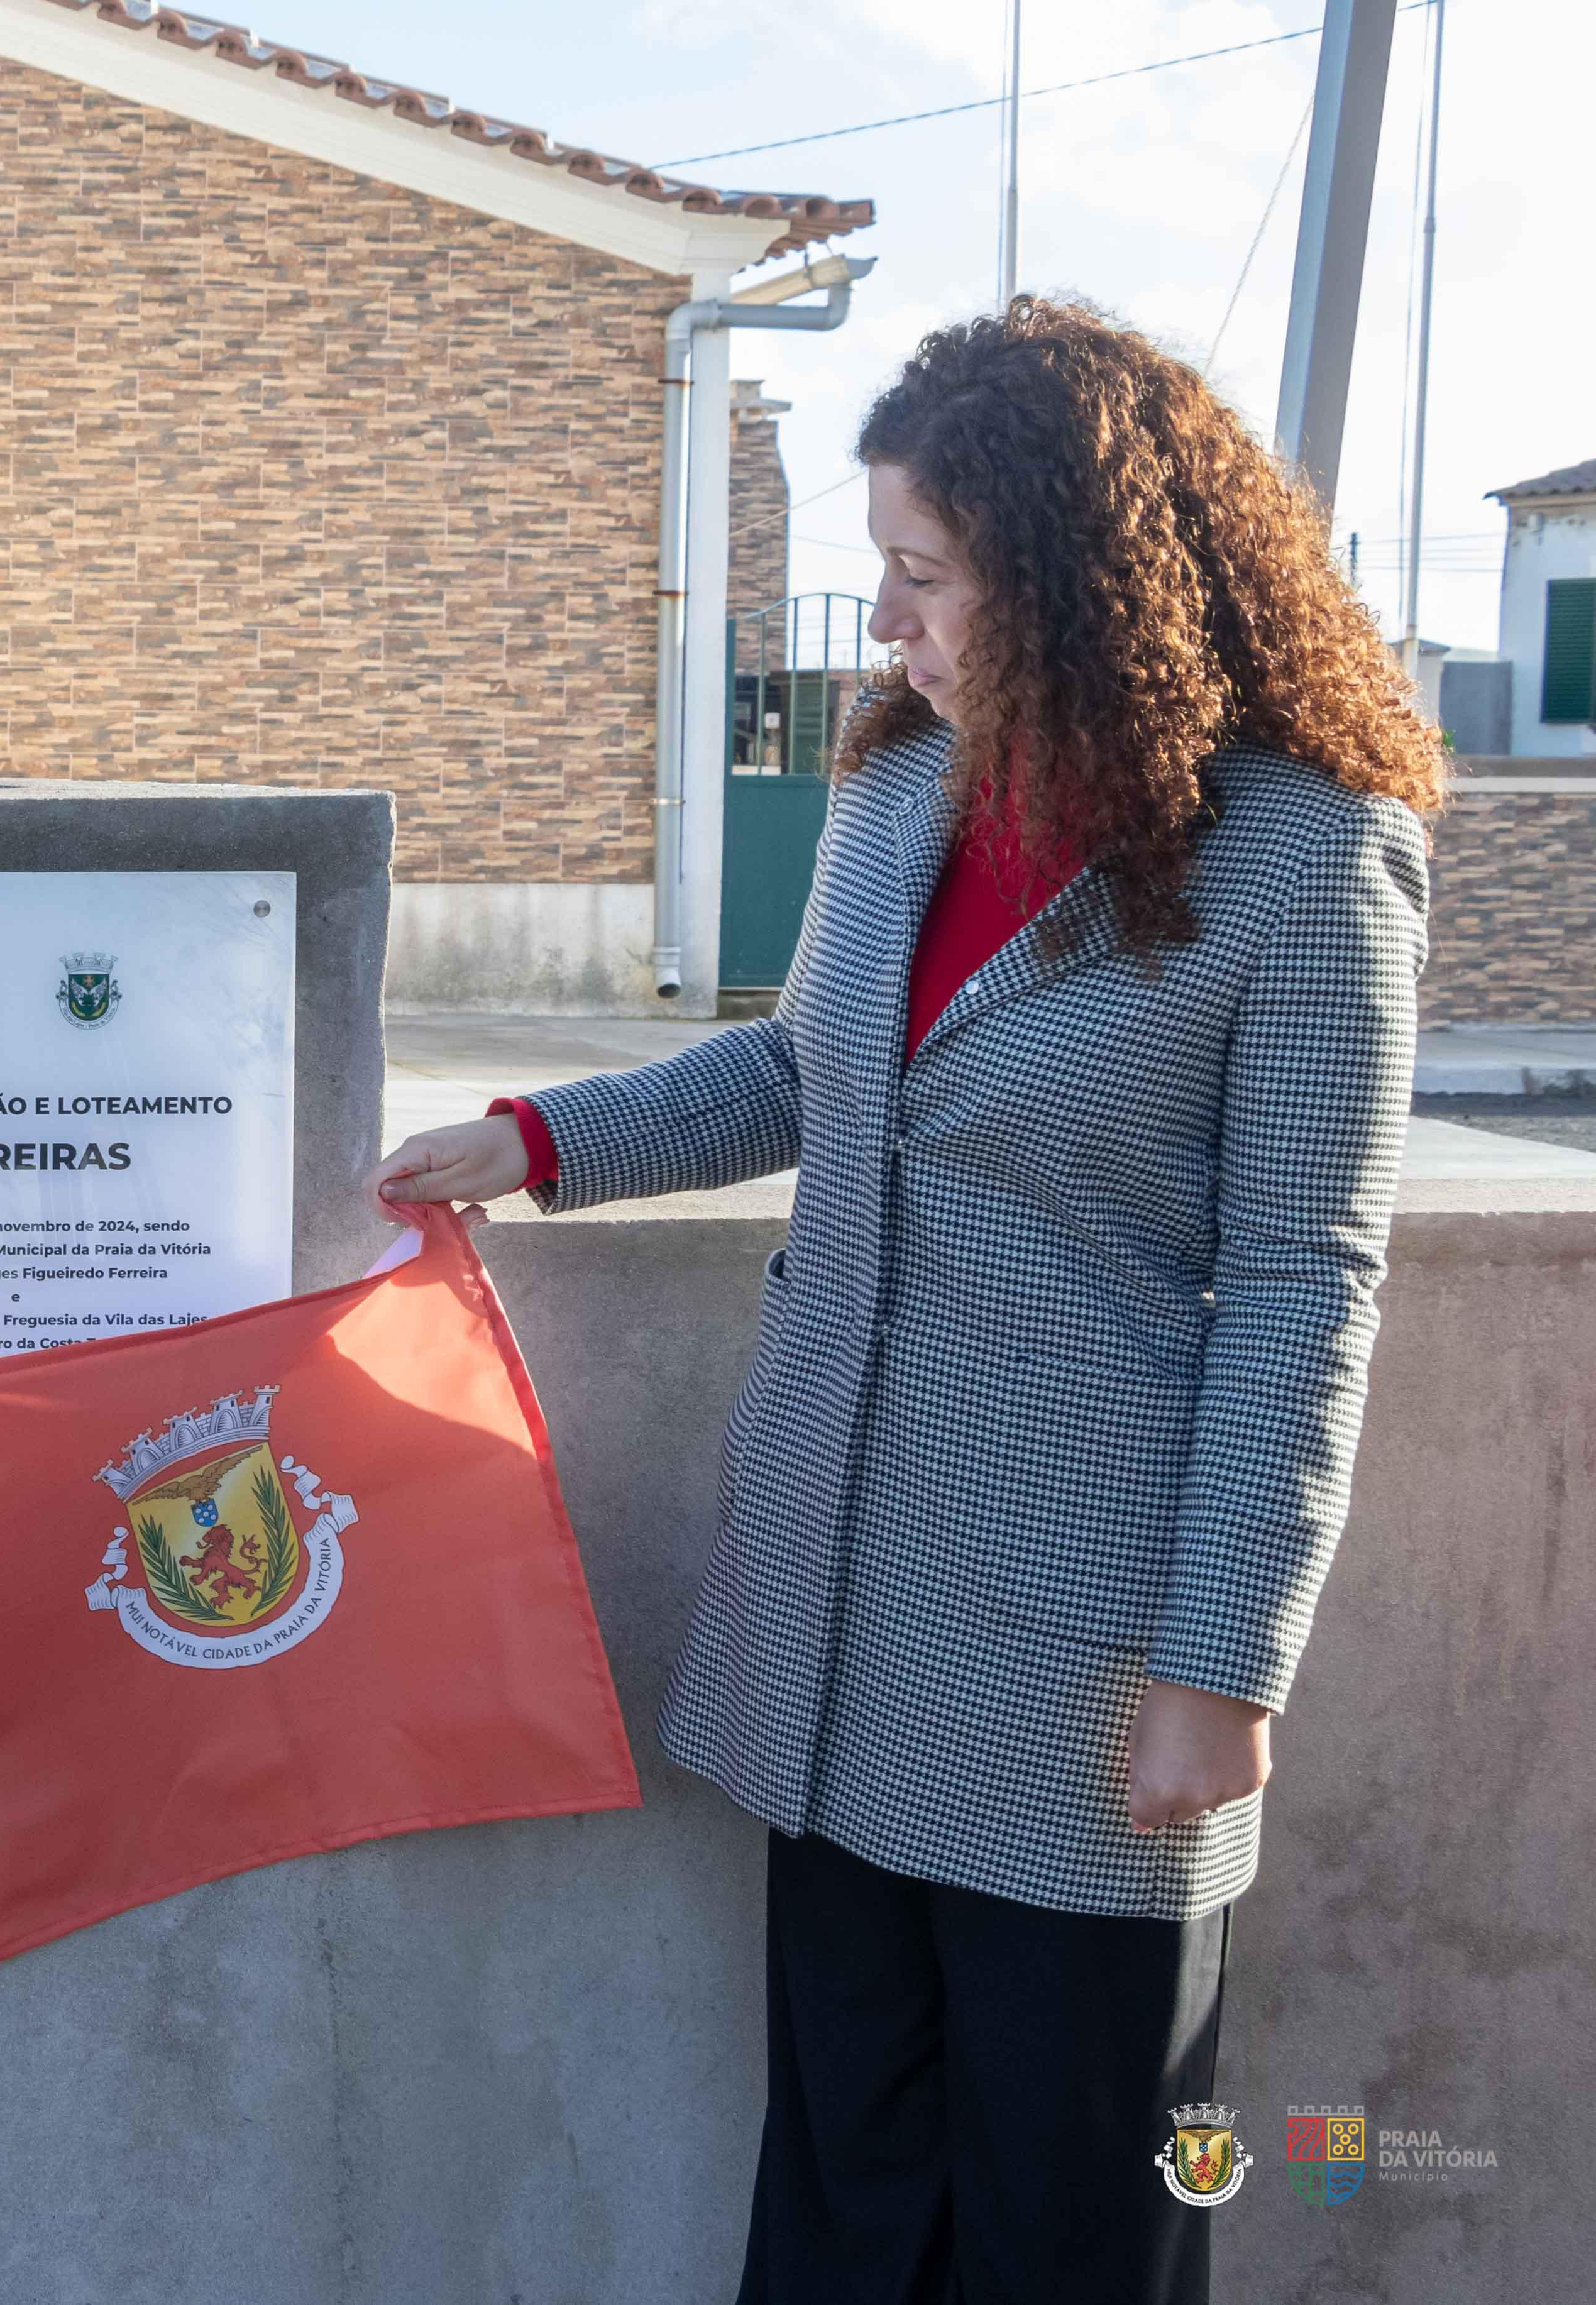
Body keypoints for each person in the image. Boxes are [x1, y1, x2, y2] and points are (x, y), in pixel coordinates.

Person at [370, 298, 1441, 2303]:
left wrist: (1227, 1665)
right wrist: (534, 1138)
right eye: (887, 574)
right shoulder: (896, 793)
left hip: (1094, 1669)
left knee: (1072, 2225)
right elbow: (804, 1073)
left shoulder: (1302, 859)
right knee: (852, 2199)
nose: (889, 627)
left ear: (1072, 585)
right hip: (839, 1623)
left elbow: (1308, 1285)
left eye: (925, 579)